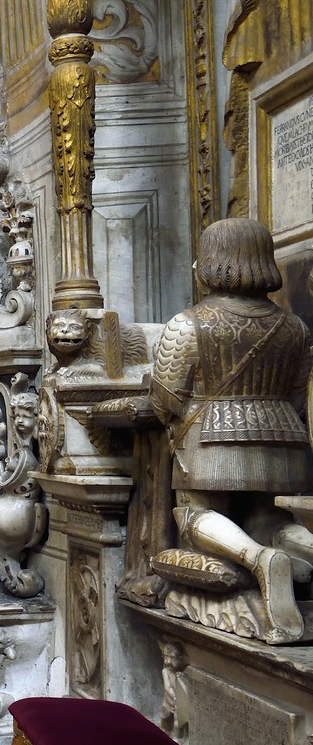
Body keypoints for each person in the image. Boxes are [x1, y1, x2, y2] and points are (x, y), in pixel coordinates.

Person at [147, 217, 313, 643]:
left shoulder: (188, 324)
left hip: (209, 437)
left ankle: (258, 560)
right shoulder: (295, 328)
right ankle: (299, 550)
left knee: (195, 515)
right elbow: (298, 396)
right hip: (285, 438)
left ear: (209, 261)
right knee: (269, 516)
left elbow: (165, 399)